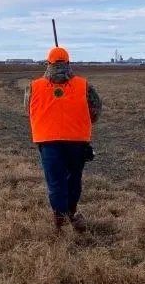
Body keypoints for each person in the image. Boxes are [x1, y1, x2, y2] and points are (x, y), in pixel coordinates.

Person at [25, 46, 102, 232]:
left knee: (55, 181)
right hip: (77, 141)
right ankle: (71, 212)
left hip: (47, 140)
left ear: (48, 63)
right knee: (74, 178)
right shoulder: (84, 85)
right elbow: (96, 110)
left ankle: (59, 220)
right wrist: (81, 122)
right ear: (68, 63)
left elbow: (28, 110)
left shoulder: (33, 86)